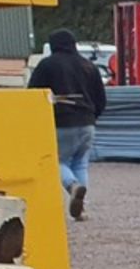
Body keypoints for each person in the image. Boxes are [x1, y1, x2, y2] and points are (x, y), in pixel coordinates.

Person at [28, 30, 108, 219]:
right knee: (81, 163)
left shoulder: (47, 65)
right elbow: (101, 98)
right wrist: (92, 116)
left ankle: (72, 186)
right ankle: (80, 210)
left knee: (57, 161)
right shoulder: (88, 66)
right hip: (88, 123)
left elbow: (32, 95)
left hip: (61, 122)